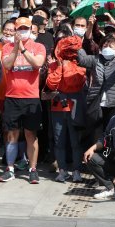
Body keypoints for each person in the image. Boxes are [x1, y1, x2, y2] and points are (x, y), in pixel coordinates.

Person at [0, 17, 46, 184]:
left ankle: (32, 169)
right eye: (20, 28)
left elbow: (37, 64)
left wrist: (24, 50)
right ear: (16, 30)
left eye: (26, 28)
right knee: (11, 135)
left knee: (31, 135)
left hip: (31, 98)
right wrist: (16, 48)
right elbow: (7, 65)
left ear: (31, 28)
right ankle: (10, 169)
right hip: (12, 97)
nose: (23, 31)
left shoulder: (38, 46)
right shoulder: (7, 47)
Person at [45, 35, 87, 183]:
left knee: (75, 141)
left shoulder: (81, 64)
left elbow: (75, 80)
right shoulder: (53, 65)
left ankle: (76, 170)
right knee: (59, 141)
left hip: (75, 106)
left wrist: (66, 66)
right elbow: (51, 83)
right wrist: (60, 66)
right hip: (58, 108)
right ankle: (62, 170)